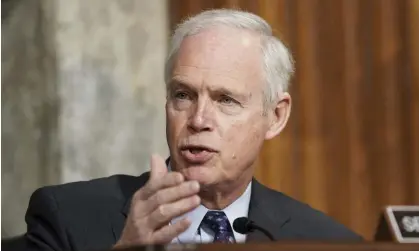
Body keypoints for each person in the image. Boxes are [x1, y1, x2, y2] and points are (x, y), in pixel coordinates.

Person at [24, 9, 362, 251]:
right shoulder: (66, 217)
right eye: (183, 95)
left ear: (275, 116)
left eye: (225, 100)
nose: (198, 119)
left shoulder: (328, 241)